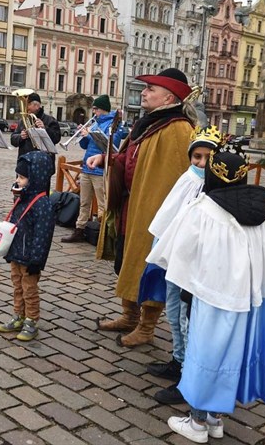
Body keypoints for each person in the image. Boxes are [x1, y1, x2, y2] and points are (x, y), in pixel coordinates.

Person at [146, 151, 265, 444]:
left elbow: (177, 250)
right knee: (231, 356)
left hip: (212, 295)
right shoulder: (260, 212)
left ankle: (197, 422)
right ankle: (217, 419)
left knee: (205, 354)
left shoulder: (204, 209)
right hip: (248, 300)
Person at [91, 68, 197, 348]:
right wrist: (107, 157)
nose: (145, 92)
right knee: (128, 256)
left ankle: (146, 327)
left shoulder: (178, 128)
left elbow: (177, 177)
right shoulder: (149, 122)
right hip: (132, 204)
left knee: (149, 264)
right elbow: (130, 154)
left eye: (152, 89)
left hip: (154, 211)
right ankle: (129, 315)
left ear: (168, 97)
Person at [139, 125, 222, 405]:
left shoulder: (216, 187)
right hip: (174, 258)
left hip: (193, 265)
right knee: (173, 312)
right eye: (196, 156)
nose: (200, 163)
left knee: (188, 318)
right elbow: (170, 213)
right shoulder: (188, 178)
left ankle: (188, 375)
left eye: (206, 158)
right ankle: (178, 358)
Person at [0, 151, 56, 341]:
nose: (17, 180)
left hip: (30, 258)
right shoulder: (22, 198)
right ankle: (18, 316)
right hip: (17, 254)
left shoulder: (42, 204)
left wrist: (36, 260)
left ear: (35, 178)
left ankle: (32, 320)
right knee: (17, 287)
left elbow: (42, 235)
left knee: (29, 290)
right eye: (17, 176)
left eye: (22, 177)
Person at [62, 95, 126, 242]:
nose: (94, 111)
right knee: (84, 202)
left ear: (103, 109)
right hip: (87, 168)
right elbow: (86, 146)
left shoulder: (113, 123)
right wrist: (83, 136)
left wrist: (89, 135)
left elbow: (111, 145)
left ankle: (103, 234)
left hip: (99, 169)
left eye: (96, 109)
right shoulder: (95, 123)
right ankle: (79, 229)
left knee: (102, 204)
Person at [10, 92, 61, 160]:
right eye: (26, 105)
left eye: (28, 104)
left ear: (37, 106)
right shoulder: (23, 120)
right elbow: (13, 140)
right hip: (24, 161)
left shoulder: (50, 120)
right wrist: (20, 137)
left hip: (43, 163)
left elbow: (56, 138)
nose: (27, 108)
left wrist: (45, 128)